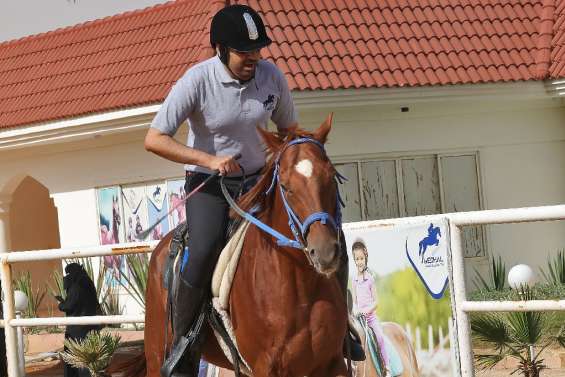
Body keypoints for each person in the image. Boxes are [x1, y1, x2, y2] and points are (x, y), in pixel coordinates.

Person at [144, 4, 363, 376]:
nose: (254, 58)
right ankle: (184, 342)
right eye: (244, 52)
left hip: (260, 180)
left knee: (328, 235)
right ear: (220, 49)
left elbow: (288, 129)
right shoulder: (197, 81)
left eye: (258, 50)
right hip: (212, 185)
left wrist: (302, 153)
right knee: (202, 250)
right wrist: (208, 160)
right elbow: (154, 139)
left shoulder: (271, 77)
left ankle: (342, 330)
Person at [351, 240, 390, 376]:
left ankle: (387, 366)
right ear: (354, 260)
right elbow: (355, 301)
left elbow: (376, 302)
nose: (359, 261)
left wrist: (366, 311)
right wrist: (356, 310)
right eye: (357, 259)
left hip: (371, 318)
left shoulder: (370, 279)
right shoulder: (354, 280)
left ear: (365, 258)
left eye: (361, 258)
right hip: (359, 319)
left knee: (380, 338)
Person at [55, 263, 100, 377]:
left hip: (77, 329)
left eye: (68, 273)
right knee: (89, 358)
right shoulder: (87, 282)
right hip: (91, 326)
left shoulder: (76, 286)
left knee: (76, 359)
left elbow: (69, 305)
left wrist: (61, 304)